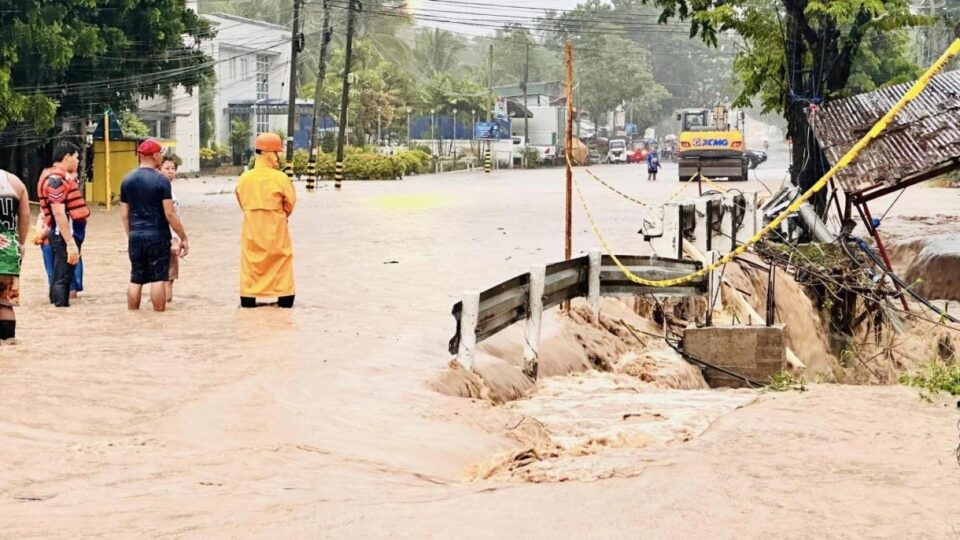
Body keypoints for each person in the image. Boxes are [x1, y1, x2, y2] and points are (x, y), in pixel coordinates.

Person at [120, 139, 189, 312]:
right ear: (155, 155)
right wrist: (183, 237)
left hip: (136, 235)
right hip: (157, 235)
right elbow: (170, 214)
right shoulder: (161, 181)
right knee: (158, 278)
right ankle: (158, 316)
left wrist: (131, 234)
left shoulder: (127, 180)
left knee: (136, 278)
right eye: (161, 154)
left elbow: (124, 214)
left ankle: (133, 314)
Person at [235, 132, 296, 308]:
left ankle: (249, 297)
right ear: (268, 153)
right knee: (281, 262)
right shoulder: (281, 178)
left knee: (251, 264)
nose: (279, 158)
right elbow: (290, 204)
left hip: (251, 230)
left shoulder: (245, 178)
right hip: (276, 229)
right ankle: (284, 297)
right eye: (277, 153)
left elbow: (241, 200)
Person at [38, 142, 89, 307]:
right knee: (62, 277)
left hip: (66, 233)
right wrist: (70, 243)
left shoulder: (58, 178)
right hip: (64, 235)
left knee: (62, 276)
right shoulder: (55, 181)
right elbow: (59, 213)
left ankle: (58, 311)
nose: (78, 161)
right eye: (76, 157)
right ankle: (60, 308)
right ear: (66, 157)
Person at [36, 171, 85, 298]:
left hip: (54, 242)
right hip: (62, 242)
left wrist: (40, 236)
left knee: (54, 276)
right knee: (68, 278)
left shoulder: (51, 203)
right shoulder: (69, 205)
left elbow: (44, 225)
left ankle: (59, 302)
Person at [0, 169, 30, 341]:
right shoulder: (14, 182)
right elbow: (24, 216)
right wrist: (21, 243)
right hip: (9, 250)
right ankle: (9, 342)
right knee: (5, 301)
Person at [159, 157, 182, 303]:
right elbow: (169, 216)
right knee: (168, 276)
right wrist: (175, 239)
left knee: (164, 277)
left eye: (173, 168)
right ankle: (166, 303)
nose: (171, 172)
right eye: (167, 168)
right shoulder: (164, 191)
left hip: (166, 236)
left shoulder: (168, 190)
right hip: (168, 238)